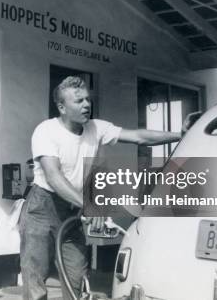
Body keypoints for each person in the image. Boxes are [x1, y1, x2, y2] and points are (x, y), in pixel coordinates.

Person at [19, 76, 181, 300]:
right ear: (62, 107)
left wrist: (180, 135)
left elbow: (138, 136)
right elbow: (54, 178)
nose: (87, 105)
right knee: (35, 280)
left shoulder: (96, 127)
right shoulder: (46, 131)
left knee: (75, 278)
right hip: (42, 208)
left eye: (87, 99)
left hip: (73, 210)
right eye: (79, 101)